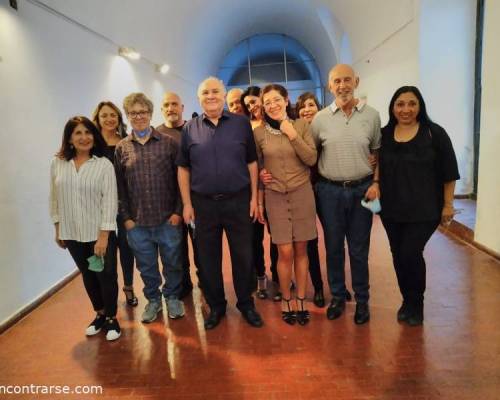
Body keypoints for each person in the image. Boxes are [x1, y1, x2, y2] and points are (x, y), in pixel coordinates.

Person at [177, 76, 263, 330]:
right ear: (199, 98)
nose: (211, 96)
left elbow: (252, 163)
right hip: (203, 205)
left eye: (215, 91)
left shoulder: (241, 124)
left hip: (238, 201)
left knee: (243, 255)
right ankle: (216, 306)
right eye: (206, 93)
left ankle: (246, 303)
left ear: (224, 95)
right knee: (207, 259)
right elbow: (183, 169)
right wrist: (186, 204)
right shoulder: (189, 128)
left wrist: (254, 198)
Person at [379, 86, 459, 326]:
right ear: (393, 107)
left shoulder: (434, 133)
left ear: (420, 106)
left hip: (425, 209)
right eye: (400, 104)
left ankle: (417, 303)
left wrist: (448, 205)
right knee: (397, 254)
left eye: (411, 103)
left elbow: (449, 173)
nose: (406, 109)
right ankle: (406, 300)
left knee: (410, 252)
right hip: (390, 209)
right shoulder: (384, 134)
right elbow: (377, 166)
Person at [310, 64, 381, 325]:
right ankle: (338, 296)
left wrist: (376, 182)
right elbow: (311, 154)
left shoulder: (372, 116)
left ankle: (362, 300)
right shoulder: (319, 119)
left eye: (347, 80)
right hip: (329, 192)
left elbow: (378, 152)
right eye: (337, 81)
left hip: (362, 190)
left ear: (357, 81)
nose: (342, 85)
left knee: (359, 250)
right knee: (333, 248)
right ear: (330, 86)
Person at [115, 92, 184, 323]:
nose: (139, 116)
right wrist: (126, 218)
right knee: (146, 268)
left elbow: (180, 181)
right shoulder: (122, 148)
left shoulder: (169, 144)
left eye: (143, 112)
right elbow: (119, 187)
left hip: (167, 220)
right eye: (133, 113)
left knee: (173, 263)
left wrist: (177, 212)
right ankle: (153, 300)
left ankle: (173, 297)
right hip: (137, 224)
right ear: (127, 116)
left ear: (151, 114)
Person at [50, 116, 121, 341]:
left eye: (88, 132)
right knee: (89, 275)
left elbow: (110, 201)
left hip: (98, 233)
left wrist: (103, 236)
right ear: (70, 138)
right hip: (71, 232)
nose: (84, 137)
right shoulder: (58, 163)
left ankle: (112, 318)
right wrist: (58, 227)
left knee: (106, 276)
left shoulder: (103, 165)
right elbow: (54, 197)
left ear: (94, 136)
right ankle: (99, 314)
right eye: (78, 133)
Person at [254, 84, 317, 326]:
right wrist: (261, 176)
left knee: (301, 250)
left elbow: (311, 158)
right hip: (275, 196)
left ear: (286, 99)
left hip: (302, 193)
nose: (272, 105)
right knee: (285, 251)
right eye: (267, 101)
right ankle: (286, 298)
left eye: (276, 99)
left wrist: (291, 133)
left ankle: (301, 299)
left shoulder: (301, 125)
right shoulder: (258, 133)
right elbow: (257, 167)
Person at [92, 101, 138, 307]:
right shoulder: (91, 144)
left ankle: (128, 287)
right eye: (104, 115)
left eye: (113, 115)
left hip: (123, 205)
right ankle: (107, 294)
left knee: (127, 249)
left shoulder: (125, 142)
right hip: (99, 207)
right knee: (106, 253)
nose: (109, 119)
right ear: (97, 118)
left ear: (119, 119)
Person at [156, 91, 199, 299]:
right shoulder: (156, 135)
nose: (171, 108)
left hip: (197, 201)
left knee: (201, 247)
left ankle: (206, 282)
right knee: (176, 250)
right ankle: (184, 286)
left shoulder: (194, 130)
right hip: (171, 205)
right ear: (161, 109)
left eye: (175, 104)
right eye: (166, 105)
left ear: (182, 107)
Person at [241, 86, 280, 301]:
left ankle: (278, 276)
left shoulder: (278, 123)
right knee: (254, 239)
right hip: (254, 191)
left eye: (254, 101)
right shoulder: (245, 128)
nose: (252, 106)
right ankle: (260, 276)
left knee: (277, 237)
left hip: (275, 190)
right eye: (248, 105)